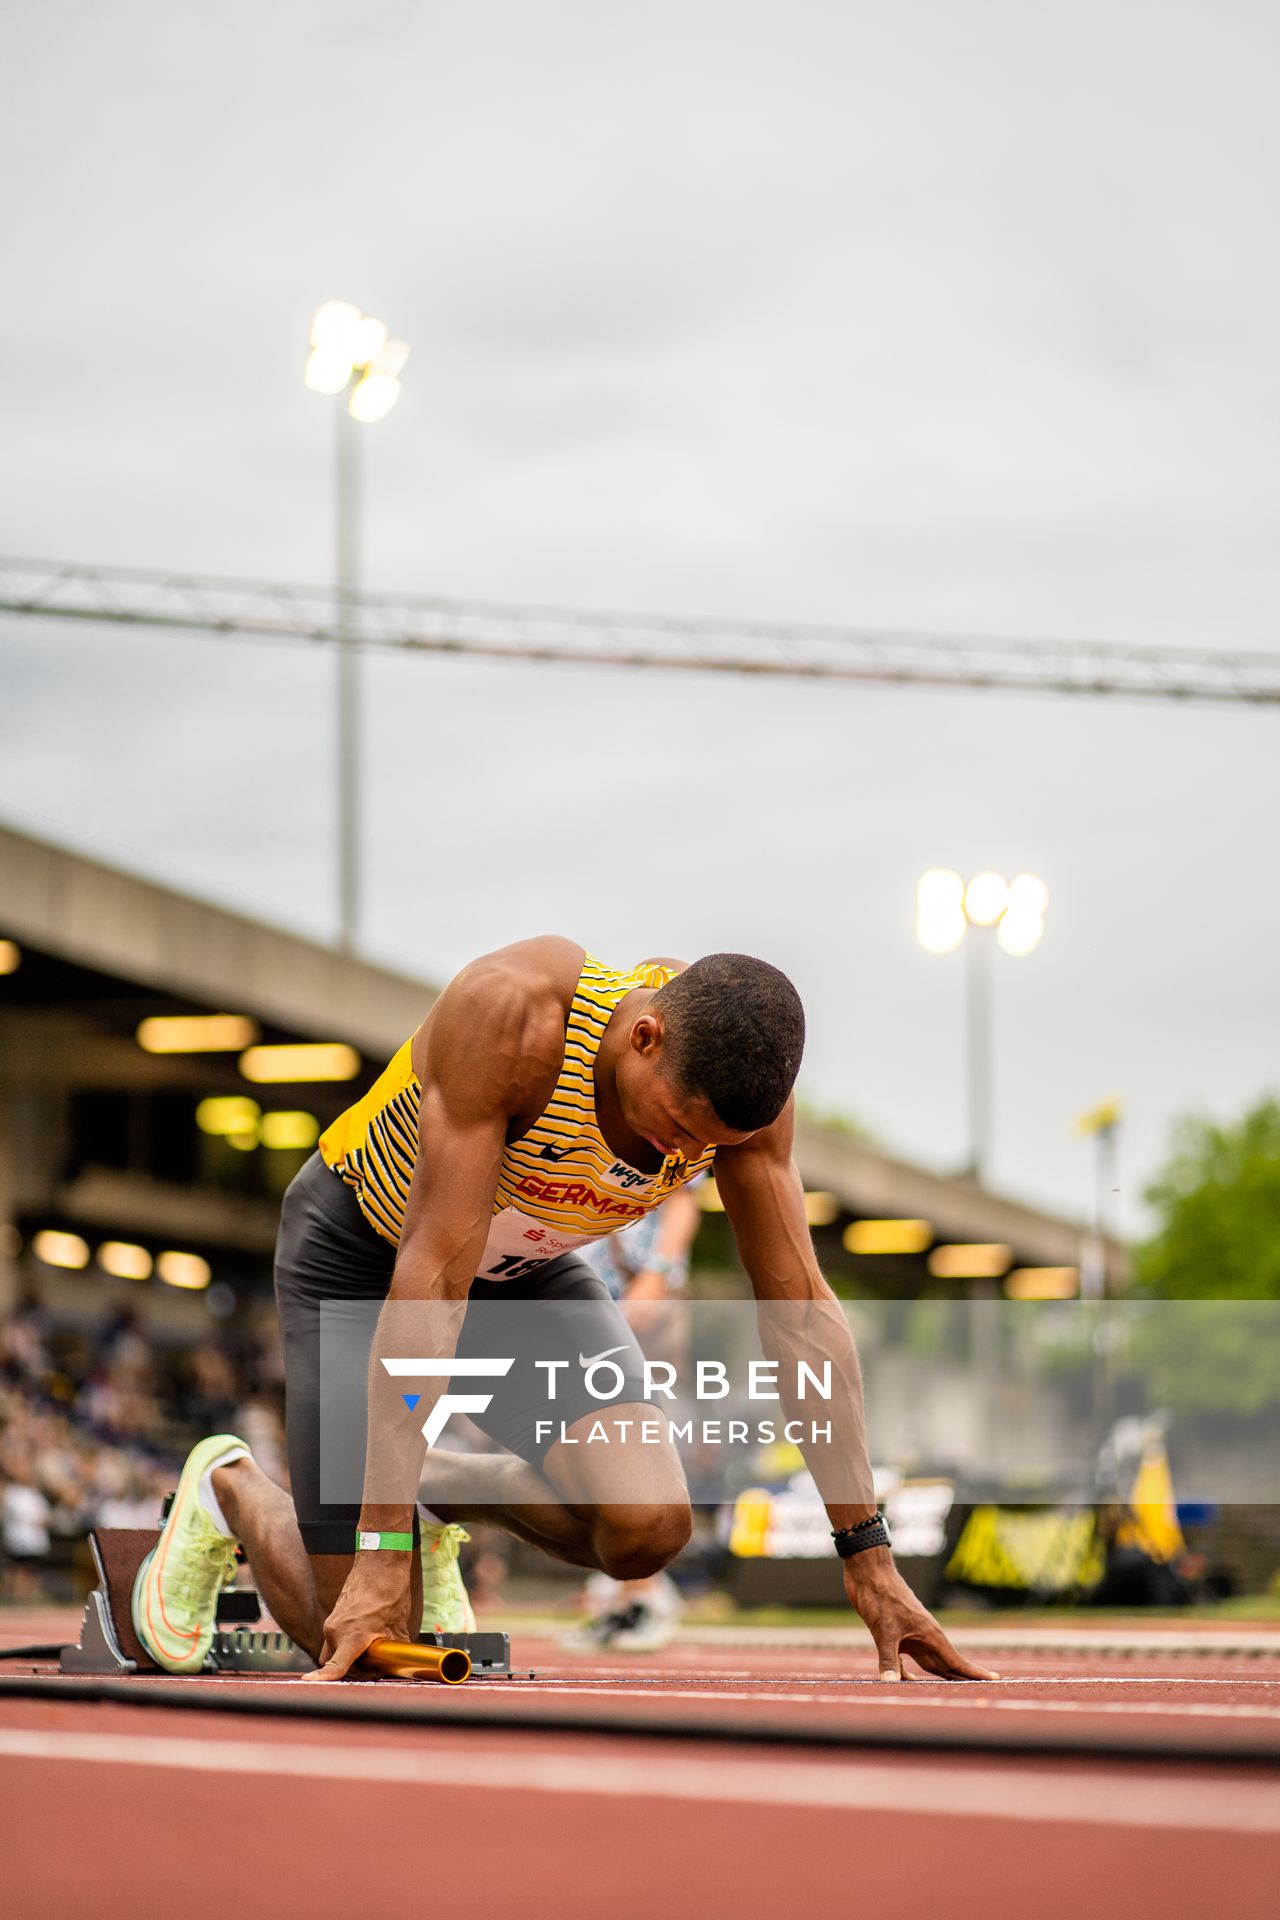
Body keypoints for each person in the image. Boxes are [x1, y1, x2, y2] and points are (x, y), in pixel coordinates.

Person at [131, 939, 993, 1684]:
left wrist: (869, 1560)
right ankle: (229, 1488)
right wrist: (381, 1547)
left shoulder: (740, 1097)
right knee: (362, 1622)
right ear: (644, 1037)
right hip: (369, 1259)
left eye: (708, 1151)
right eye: (678, 1130)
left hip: (528, 1272)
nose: (688, 1158)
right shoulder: (511, 1019)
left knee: (647, 1528)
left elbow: (800, 1311)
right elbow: (431, 1280)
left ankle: (422, 1488)